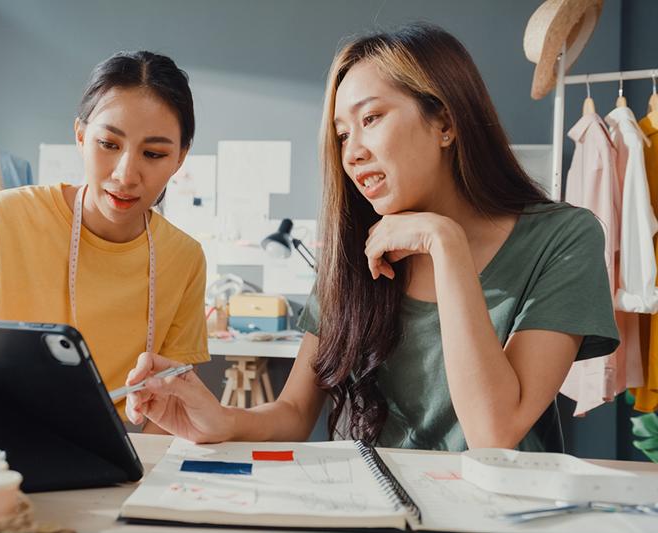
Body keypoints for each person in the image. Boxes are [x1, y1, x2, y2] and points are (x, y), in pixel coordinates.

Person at [124, 23, 619, 452]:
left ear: (445, 121)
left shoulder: (563, 238)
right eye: (342, 134)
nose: (352, 152)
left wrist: (444, 244)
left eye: (371, 118)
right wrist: (220, 420)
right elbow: (296, 412)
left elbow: (494, 432)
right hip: (374, 507)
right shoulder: (354, 252)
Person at [0, 51, 210, 429]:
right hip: (2, 452)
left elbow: (167, 412)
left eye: (153, 153)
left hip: (124, 465)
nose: (126, 174)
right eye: (109, 144)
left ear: (179, 159)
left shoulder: (184, 258)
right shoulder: (2, 219)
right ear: (81, 136)